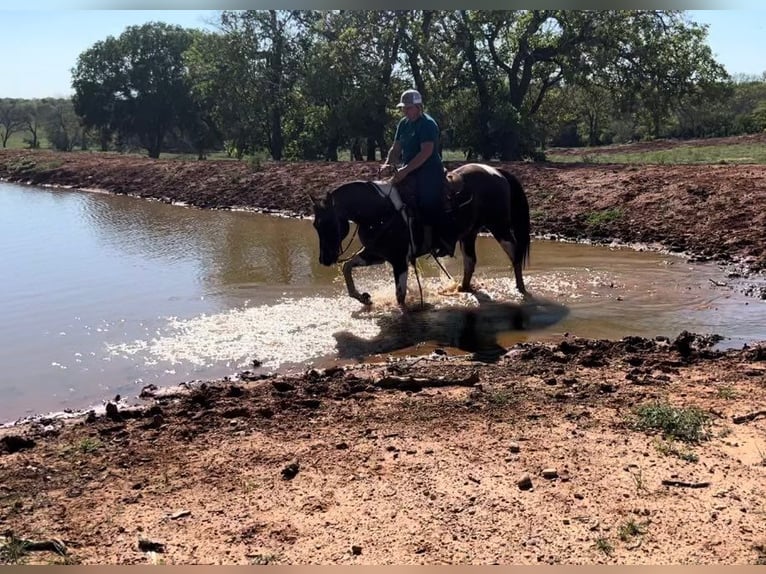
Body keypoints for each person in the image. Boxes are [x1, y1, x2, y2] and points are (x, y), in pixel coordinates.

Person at [381, 89, 455, 258]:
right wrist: (388, 163)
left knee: (428, 200)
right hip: (408, 169)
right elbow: (396, 147)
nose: (405, 111)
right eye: (404, 108)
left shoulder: (428, 124)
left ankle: (438, 241)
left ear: (418, 107)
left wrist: (405, 170)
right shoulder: (403, 123)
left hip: (428, 170)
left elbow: (426, 152)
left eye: (409, 108)